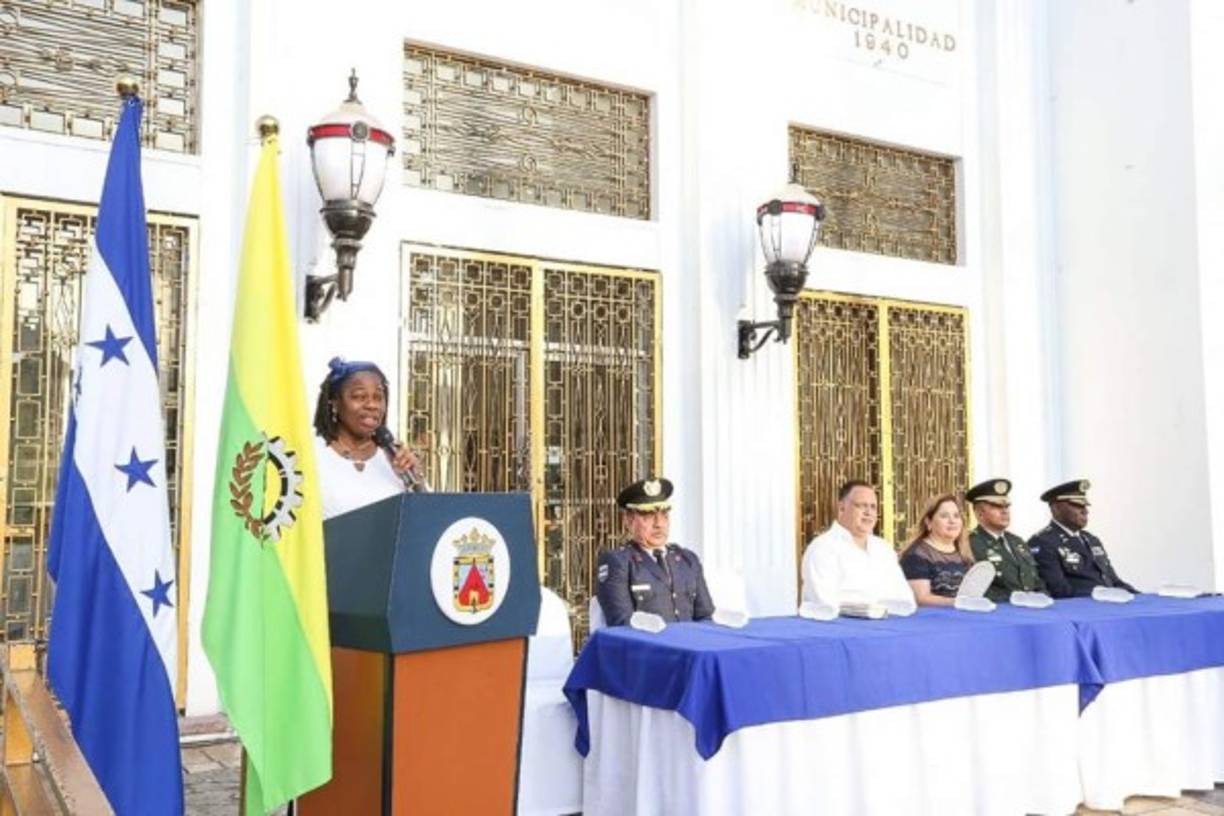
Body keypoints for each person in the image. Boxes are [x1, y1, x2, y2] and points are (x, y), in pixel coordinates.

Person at [595, 477, 715, 626]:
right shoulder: (618, 562)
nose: (659, 524)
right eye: (648, 516)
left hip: (690, 640)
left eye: (664, 515)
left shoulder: (688, 560)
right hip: (646, 641)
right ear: (629, 521)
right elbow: (622, 623)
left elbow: (705, 617)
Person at [312, 357, 422, 519]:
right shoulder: (311, 454)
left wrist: (415, 480)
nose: (372, 405)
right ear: (335, 403)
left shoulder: (396, 457)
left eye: (378, 397)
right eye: (359, 396)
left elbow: (425, 518)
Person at [800, 480, 914, 610]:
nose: (868, 512)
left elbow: (904, 598)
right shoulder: (823, 548)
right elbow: (824, 603)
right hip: (842, 622)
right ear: (841, 508)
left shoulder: (883, 549)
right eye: (861, 506)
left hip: (889, 619)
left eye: (873, 507)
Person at [1029, 479, 1136, 597]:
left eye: (1085, 505)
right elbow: (1059, 590)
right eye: (1077, 505)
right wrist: (1102, 596)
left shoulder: (1092, 540)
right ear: (1056, 508)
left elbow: (1113, 581)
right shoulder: (1042, 542)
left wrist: (1139, 596)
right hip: (1081, 606)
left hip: (1107, 604)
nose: (1085, 511)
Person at [966, 478, 1047, 601]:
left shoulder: (1017, 542)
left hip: (1032, 607)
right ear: (979, 513)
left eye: (1006, 506)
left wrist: (1043, 597)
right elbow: (977, 589)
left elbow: (1036, 580)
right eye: (996, 506)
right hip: (1002, 609)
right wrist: (1016, 600)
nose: (1004, 511)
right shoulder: (971, 543)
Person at [900, 494, 975, 606]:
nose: (952, 521)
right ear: (928, 522)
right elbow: (921, 599)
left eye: (956, 516)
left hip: (964, 614)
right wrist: (959, 603)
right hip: (931, 616)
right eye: (944, 516)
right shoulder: (916, 554)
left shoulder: (964, 552)